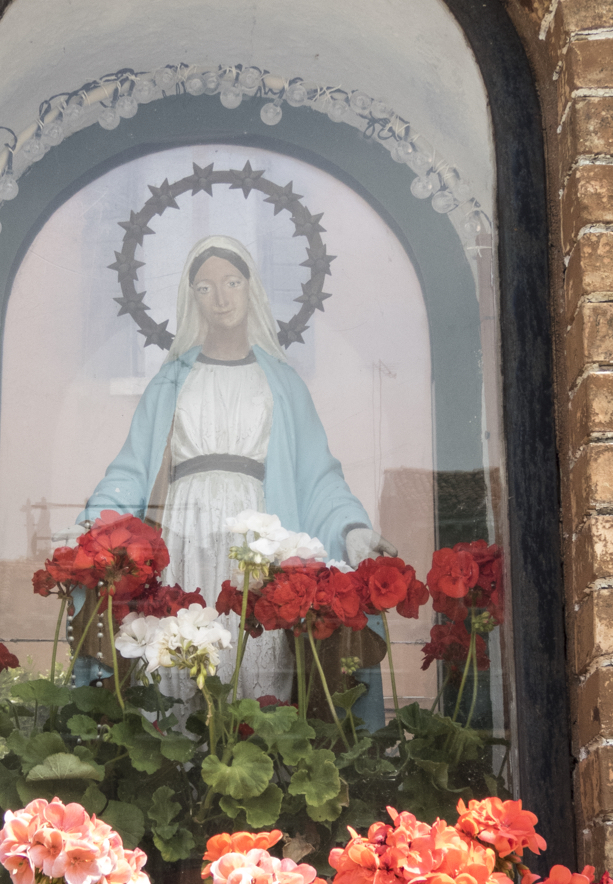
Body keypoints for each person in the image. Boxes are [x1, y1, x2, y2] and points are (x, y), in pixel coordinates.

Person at [81, 234, 392, 706]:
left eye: (232, 282)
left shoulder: (283, 383)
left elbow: (318, 476)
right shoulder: (170, 382)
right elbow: (131, 470)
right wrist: (94, 528)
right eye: (205, 288)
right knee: (183, 651)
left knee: (253, 651)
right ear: (192, 299)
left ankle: (256, 755)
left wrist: (351, 529)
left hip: (258, 535)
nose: (221, 298)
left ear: (251, 289)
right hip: (185, 531)